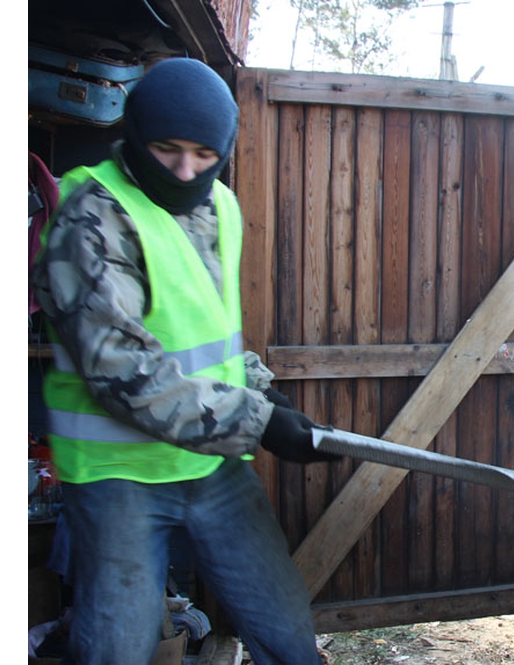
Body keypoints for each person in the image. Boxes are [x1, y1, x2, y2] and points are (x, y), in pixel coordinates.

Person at [33, 57, 338, 665]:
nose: (184, 168)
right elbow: (122, 369)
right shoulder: (91, 216)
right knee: (118, 643)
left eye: (204, 153)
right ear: (133, 135)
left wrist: (262, 392)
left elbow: (209, 328)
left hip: (209, 464)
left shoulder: (218, 205)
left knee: (281, 622)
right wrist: (255, 421)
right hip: (118, 475)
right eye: (166, 148)